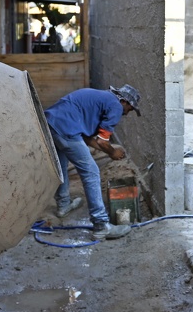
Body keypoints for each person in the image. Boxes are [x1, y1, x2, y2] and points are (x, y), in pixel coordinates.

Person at [43, 84, 142, 240]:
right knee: (91, 172)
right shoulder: (116, 106)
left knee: (61, 164)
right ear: (125, 102)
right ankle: (101, 225)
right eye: (130, 109)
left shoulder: (102, 98)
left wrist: (109, 152)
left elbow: (87, 138)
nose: (127, 114)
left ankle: (63, 205)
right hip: (67, 128)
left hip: (51, 123)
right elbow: (103, 142)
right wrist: (112, 152)